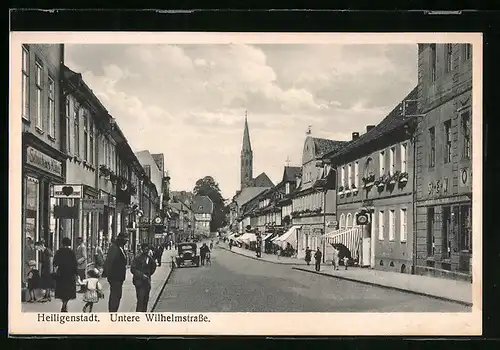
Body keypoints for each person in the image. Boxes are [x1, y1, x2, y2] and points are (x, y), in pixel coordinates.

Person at [102, 232, 128, 312]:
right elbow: (109, 261)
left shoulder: (121, 248)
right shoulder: (114, 248)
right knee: (115, 295)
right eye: (125, 239)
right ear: (120, 239)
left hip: (119, 277)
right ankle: (112, 312)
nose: (126, 241)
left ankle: (113, 310)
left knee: (117, 295)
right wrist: (107, 273)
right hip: (115, 277)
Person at [53, 237, 78, 312]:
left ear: (62, 243)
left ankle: (63, 303)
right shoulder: (71, 252)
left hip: (61, 273)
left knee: (62, 290)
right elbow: (75, 264)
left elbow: (55, 263)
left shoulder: (59, 252)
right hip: (70, 274)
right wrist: (76, 274)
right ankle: (65, 303)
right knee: (68, 291)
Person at [131, 243, 157, 312]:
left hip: (147, 282)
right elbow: (133, 269)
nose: (147, 251)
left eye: (148, 249)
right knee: (140, 300)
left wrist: (149, 274)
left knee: (146, 300)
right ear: (142, 249)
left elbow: (153, 267)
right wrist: (142, 275)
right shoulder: (137, 258)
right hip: (139, 282)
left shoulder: (150, 258)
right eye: (145, 249)